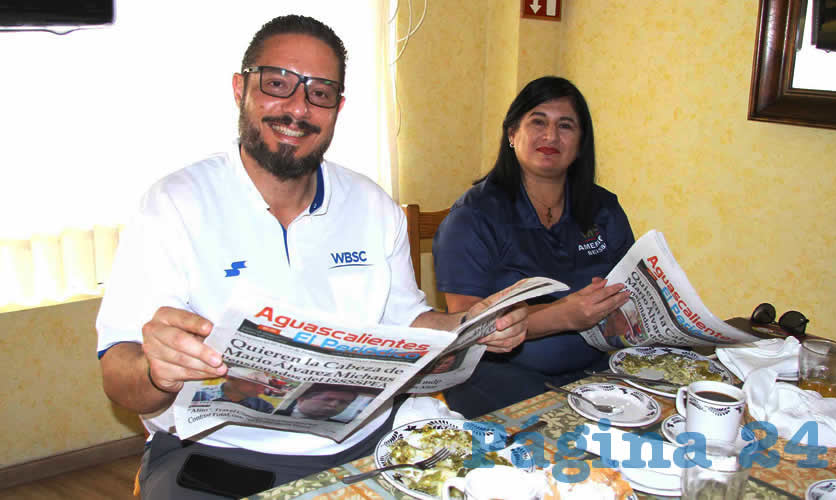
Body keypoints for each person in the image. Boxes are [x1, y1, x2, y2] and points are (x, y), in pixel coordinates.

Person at [95, 15, 528, 499]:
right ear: (241, 89)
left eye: (319, 93)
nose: (297, 108)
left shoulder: (371, 205)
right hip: (220, 452)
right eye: (277, 84)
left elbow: (409, 322)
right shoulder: (174, 204)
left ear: (338, 107)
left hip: (365, 439)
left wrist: (471, 325)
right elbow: (118, 372)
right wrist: (157, 371)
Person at [432, 76, 635, 418]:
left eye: (565, 125)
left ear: (581, 143)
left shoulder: (604, 208)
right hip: (500, 374)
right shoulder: (473, 215)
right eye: (538, 122)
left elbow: (629, 290)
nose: (551, 136)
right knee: (565, 431)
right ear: (512, 134)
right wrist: (563, 316)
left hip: (597, 368)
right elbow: (467, 327)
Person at [191, 367, 275, 413]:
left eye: (264, 385)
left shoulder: (264, 407)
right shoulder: (198, 395)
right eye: (254, 383)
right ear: (231, 378)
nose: (261, 389)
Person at [275, 384, 362, 421]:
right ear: (302, 399)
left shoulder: (343, 428)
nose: (334, 405)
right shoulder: (272, 411)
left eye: (344, 402)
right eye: (327, 399)